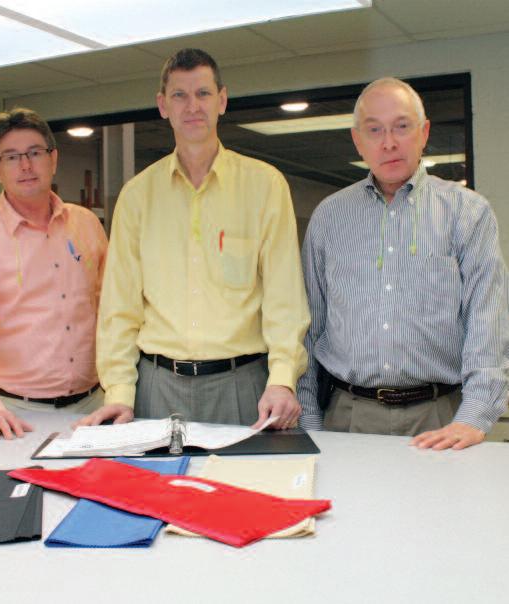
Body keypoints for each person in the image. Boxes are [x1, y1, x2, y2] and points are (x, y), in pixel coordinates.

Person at [80, 48, 309, 430]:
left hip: (243, 387)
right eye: (179, 95)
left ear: (222, 100)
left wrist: (282, 379)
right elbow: (119, 308)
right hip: (157, 387)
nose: (192, 107)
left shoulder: (265, 186)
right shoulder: (137, 196)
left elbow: (284, 299)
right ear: (163, 105)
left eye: (203, 93)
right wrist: (119, 392)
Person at [298, 77, 509, 450]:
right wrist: (309, 419)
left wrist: (474, 416)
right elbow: (309, 327)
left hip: (440, 419)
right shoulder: (330, 217)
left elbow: (487, 322)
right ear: (357, 141)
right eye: (374, 130)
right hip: (347, 418)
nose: (389, 142)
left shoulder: (467, 212)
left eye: (401, 126)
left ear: (423, 132)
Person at [0, 108, 107, 440]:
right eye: (12, 157)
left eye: (34, 153)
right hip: (15, 414)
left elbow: (110, 308)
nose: (26, 166)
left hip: (94, 406)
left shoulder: (86, 224)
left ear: (53, 158)